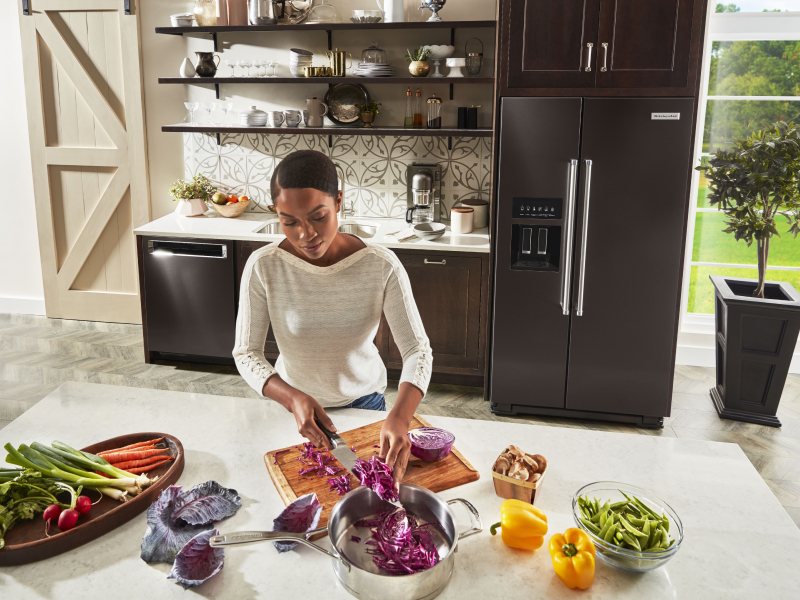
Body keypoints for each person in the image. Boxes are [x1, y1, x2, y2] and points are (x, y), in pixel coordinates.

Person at [233, 149, 432, 491]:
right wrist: (292, 398)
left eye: (318, 217)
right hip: (294, 413)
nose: (305, 235)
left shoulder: (381, 265)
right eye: (289, 221)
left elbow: (417, 350)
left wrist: (400, 416)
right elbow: (246, 354)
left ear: (338, 201)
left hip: (366, 406)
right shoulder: (263, 266)